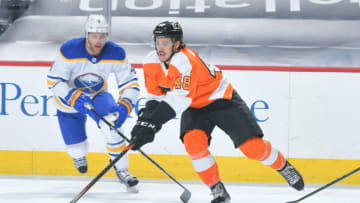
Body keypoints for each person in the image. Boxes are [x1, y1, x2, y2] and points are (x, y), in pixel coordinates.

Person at [130, 21, 305, 203]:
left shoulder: (185, 59)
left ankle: (283, 167)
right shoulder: (151, 61)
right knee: (193, 144)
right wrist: (143, 122)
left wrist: (153, 124)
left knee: (252, 148)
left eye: (165, 42)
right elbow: (155, 96)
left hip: (221, 99)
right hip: (195, 106)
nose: (160, 47)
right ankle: (217, 189)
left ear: (177, 44)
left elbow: (180, 99)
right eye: (158, 42)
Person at [46, 15, 140, 192]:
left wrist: (126, 103)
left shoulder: (116, 53)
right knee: (76, 148)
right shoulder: (69, 50)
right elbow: (54, 81)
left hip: (98, 95)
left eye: (103, 35)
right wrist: (71, 95)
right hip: (67, 102)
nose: (99, 40)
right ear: (87, 34)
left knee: (112, 126)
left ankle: (122, 169)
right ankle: (78, 155)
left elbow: (131, 83)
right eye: (95, 35)